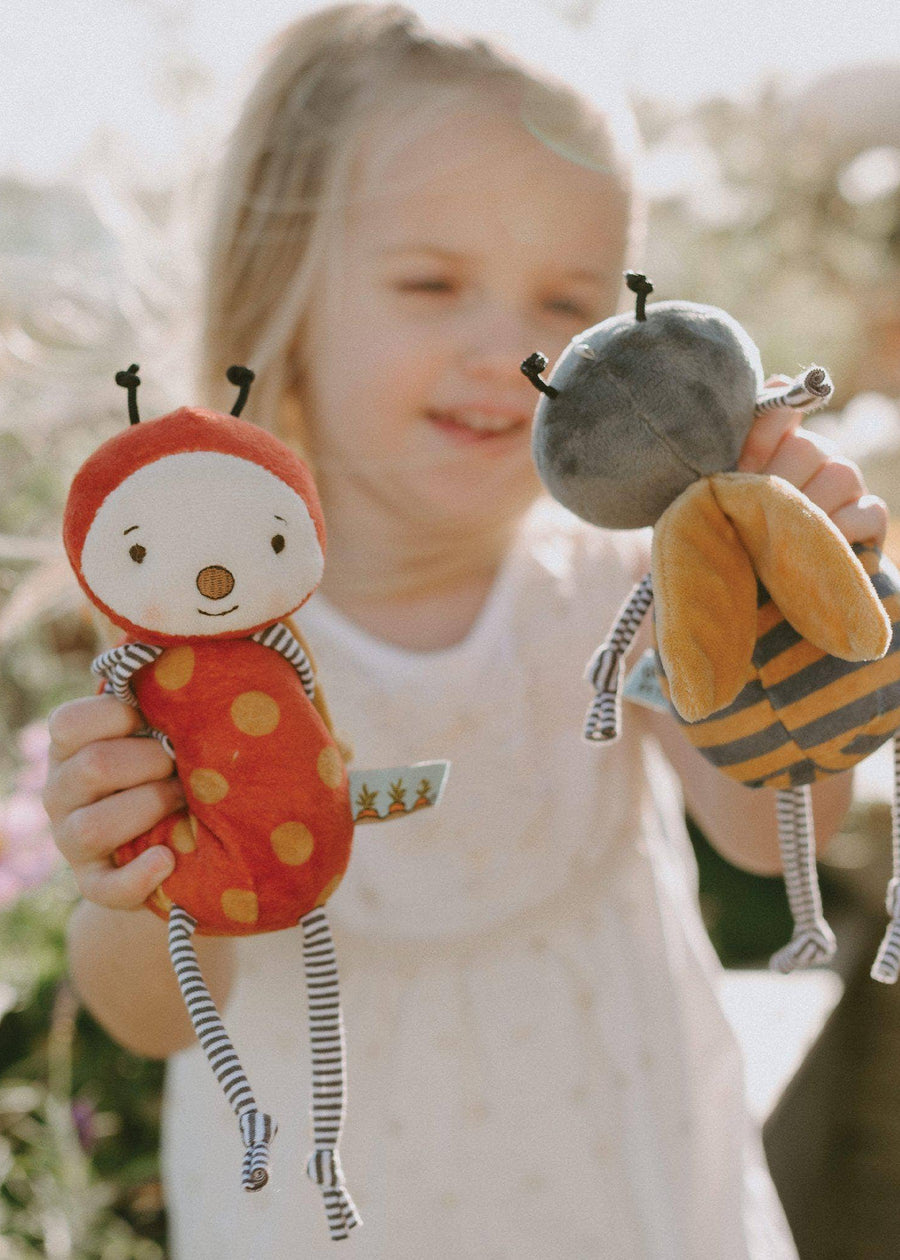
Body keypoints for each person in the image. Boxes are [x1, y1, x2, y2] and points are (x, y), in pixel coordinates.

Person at [42, 5, 888, 1257]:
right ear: (287, 295)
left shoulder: (626, 583)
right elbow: (157, 1019)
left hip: (625, 1170)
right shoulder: (187, 648)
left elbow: (773, 840)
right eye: (432, 284)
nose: (512, 349)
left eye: (570, 298)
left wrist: (789, 632)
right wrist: (127, 887)